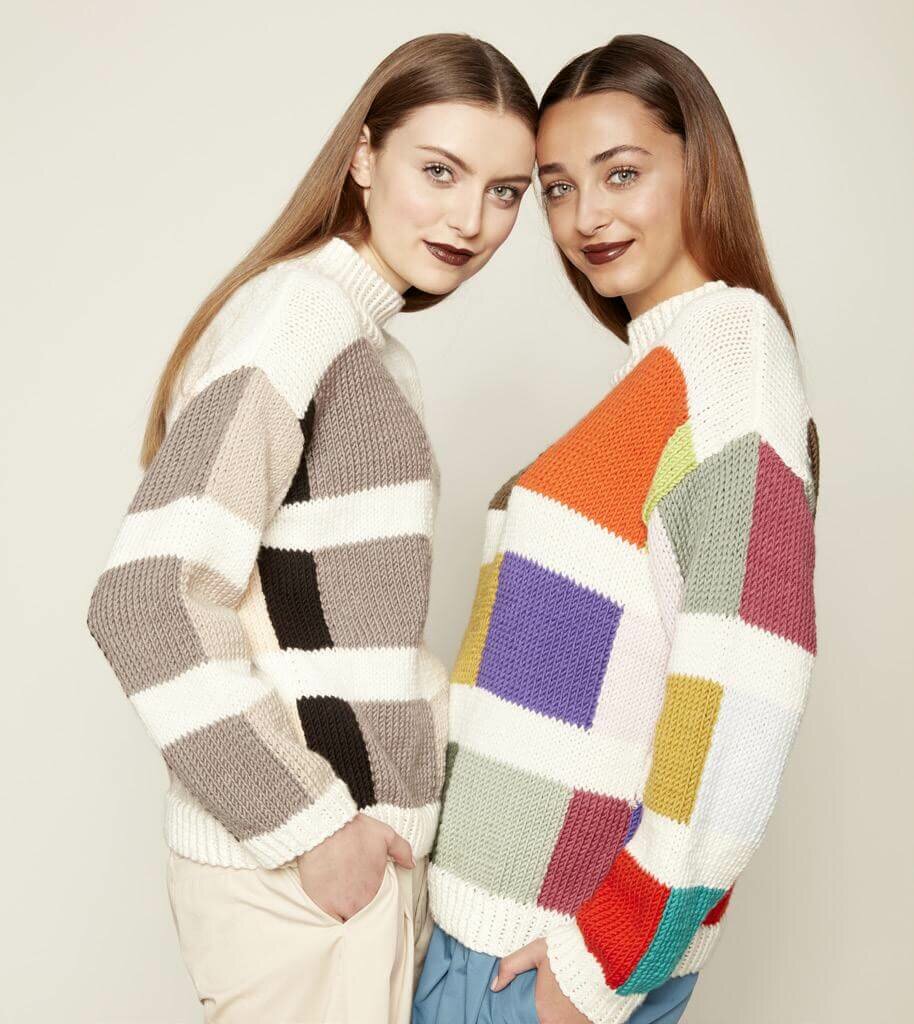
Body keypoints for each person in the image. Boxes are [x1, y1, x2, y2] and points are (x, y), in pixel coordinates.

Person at [86, 33, 536, 1024]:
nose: (470, 219)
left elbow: (353, 646)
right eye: (440, 170)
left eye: (505, 191)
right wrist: (313, 827)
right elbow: (145, 598)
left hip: (345, 877)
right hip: (298, 883)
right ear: (364, 156)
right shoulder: (301, 317)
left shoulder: (359, 343)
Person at [414, 34, 819, 1024]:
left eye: (621, 173)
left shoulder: (732, 364)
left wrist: (605, 958)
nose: (586, 215)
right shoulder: (664, 373)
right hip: (488, 938)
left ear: (699, 166)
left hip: (538, 960)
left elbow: (744, 694)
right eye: (557, 188)